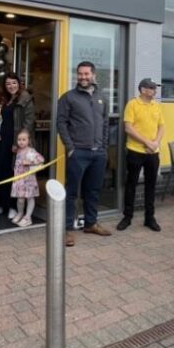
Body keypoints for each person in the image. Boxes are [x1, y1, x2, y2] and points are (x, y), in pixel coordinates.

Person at [56, 61, 111, 246]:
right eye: (80, 74)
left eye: (86, 74)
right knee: (72, 192)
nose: (83, 77)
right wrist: (70, 147)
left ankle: (90, 223)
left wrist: (104, 147)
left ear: (93, 75)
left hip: (98, 153)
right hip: (78, 152)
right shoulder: (68, 97)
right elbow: (61, 123)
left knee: (93, 190)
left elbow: (105, 123)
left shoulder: (102, 97)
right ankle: (67, 229)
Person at [0, 73, 35, 219]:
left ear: (19, 84)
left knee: (13, 175)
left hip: (15, 143)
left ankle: (12, 206)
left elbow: (29, 122)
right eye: (8, 84)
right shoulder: (4, 100)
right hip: (1, 142)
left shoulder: (26, 99)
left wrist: (19, 143)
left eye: (14, 83)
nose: (11, 86)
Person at [119, 78, 166, 232]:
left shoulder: (157, 106)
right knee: (131, 184)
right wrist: (147, 142)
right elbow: (128, 128)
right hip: (135, 151)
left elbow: (162, 127)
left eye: (155, 88)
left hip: (153, 153)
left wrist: (155, 143)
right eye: (152, 88)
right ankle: (127, 217)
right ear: (143, 90)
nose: (155, 91)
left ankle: (149, 218)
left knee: (151, 186)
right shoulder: (132, 104)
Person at [11, 129, 44, 227]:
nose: (21, 142)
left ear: (29, 140)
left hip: (29, 180)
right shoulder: (18, 150)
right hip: (19, 180)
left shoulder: (31, 151)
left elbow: (41, 160)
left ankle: (28, 217)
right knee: (20, 199)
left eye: (23, 139)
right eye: (19, 139)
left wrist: (30, 162)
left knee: (30, 198)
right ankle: (20, 213)